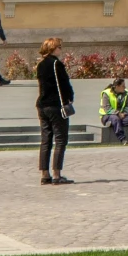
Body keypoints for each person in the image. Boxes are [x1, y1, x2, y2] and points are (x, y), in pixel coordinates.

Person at [35, 36, 74, 184]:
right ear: (52, 49)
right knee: (60, 139)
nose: (61, 50)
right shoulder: (56, 64)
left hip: (42, 104)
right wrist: (69, 98)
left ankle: (45, 174)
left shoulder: (41, 64)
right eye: (59, 47)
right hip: (55, 105)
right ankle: (57, 174)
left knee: (46, 140)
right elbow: (64, 84)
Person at [98, 76, 128, 143]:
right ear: (117, 86)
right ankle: (122, 138)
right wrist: (118, 113)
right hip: (107, 116)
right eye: (123, 86)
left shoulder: (126, 93)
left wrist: (124, 114)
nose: (125, 87)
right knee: (115, 119)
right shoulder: (106, 93)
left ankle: (112, 124)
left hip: (120, 116)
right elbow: (107, 108)